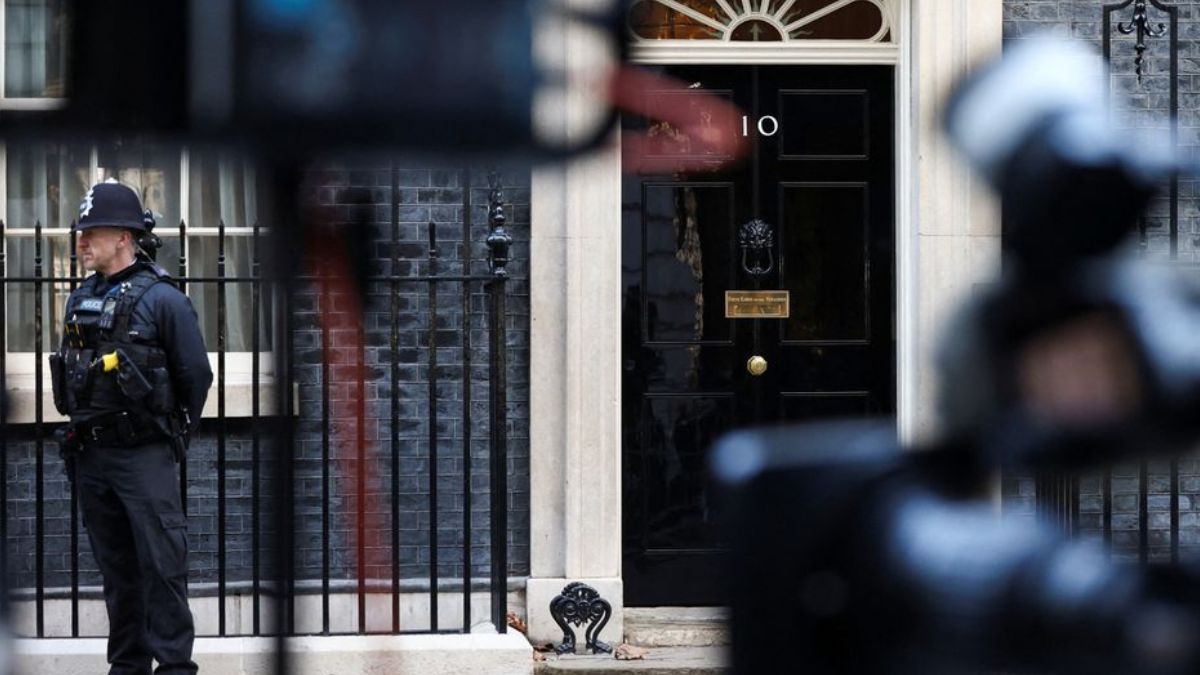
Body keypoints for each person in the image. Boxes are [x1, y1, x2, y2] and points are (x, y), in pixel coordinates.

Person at [50, 179, 212, 675]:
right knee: (118, 574)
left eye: (90, 233)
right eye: (80, 233)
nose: (81, 242)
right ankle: (126, 666)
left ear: (123, 236)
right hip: (93, 457)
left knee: (162, 569)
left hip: (144, 454)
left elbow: (196, 376)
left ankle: (175, 668)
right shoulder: (82, 298)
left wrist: (173, 437)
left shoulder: (164, 300)